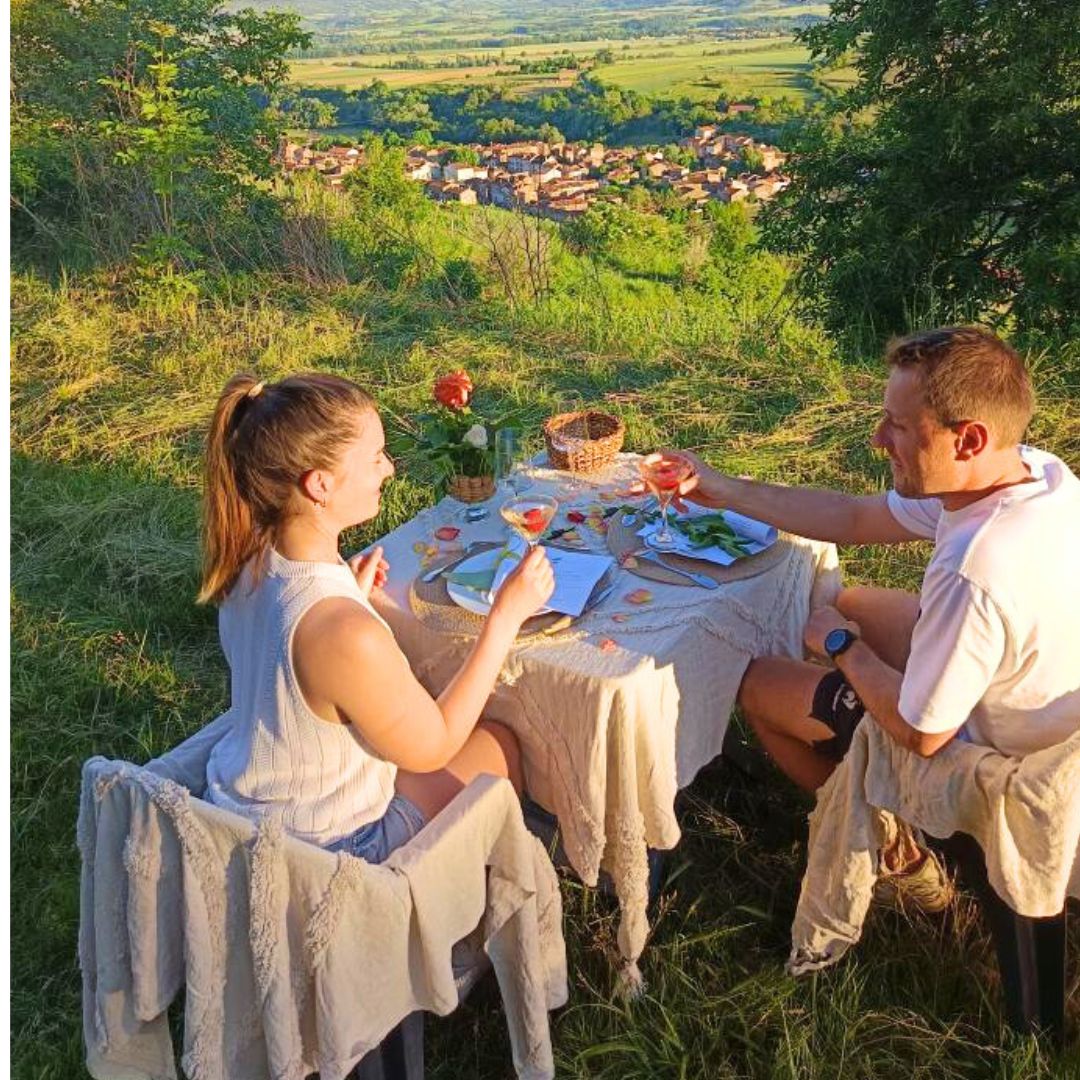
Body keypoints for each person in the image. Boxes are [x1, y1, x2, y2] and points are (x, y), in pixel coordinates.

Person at [663, 326, 1080, 904]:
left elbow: (923, 733)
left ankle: (895, 855)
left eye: (901, 427)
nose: (878, 439)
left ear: (968, 439)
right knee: (853, 602)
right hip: (1042, 704)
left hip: (995, 760)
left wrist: (841, 646)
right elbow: (856, 518)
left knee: (757, 681)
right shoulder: (1036, 475)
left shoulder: (976, 566)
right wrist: (724, 488)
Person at [197, 372, 554, 863]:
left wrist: (351, 593)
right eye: (375, 458)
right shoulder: (342, 630)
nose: (389, 469)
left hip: (250, 809)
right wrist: (504, 617)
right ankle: (471, 916)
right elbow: (433, 748)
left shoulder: (250, 559)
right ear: (320, 485)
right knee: (497, 743)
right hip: (325, 852)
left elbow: (290, 649)